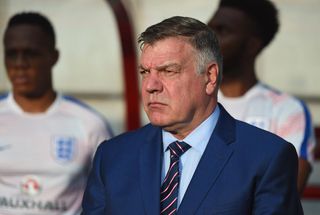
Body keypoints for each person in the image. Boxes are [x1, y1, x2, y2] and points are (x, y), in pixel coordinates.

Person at [82, 16, 302, 214]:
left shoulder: (265, 157)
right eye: (144, 72)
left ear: (209, 76)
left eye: (168, 71)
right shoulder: (113, 157)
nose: (150, 86)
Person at [0, 12, 113, 215]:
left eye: (30, 53)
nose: (19, 63)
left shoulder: (89, 123)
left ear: (53, 57)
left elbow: (113, 194)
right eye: (11, 53)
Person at [207, 0, 317, 195]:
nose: (208, 39)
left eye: (222, 30)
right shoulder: (189, 103)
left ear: (252, 45)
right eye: (208, 29)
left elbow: (282, 195)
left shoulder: (287, 110)